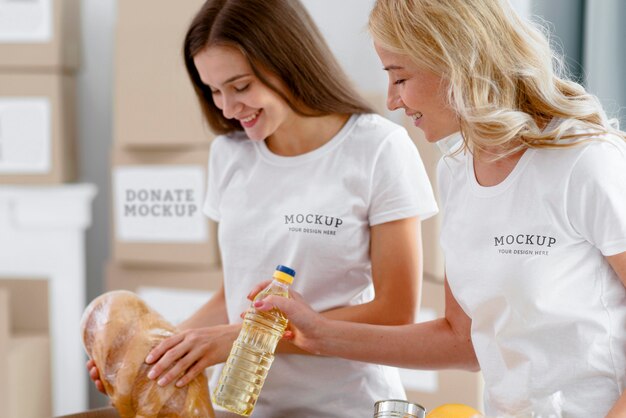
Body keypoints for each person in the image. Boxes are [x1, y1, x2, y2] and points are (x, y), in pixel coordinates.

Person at [250, 0, 626, 417]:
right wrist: (320, 334)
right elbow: (461, 340)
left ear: (455, 62)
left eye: (400, 77)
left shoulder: (586, 161)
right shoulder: (456, 169)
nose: (392, 100)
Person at [87, 0, 438, 416]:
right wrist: (160, 355)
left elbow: (395, 313)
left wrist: (239, 338)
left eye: (241, 86)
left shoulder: (378, 148)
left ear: (289, 62)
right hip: (239, 407)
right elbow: (230, 295)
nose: (228, 108)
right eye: (213, 90)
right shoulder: (229, 154)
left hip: (346, 405)